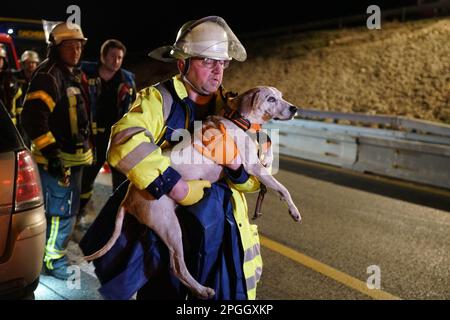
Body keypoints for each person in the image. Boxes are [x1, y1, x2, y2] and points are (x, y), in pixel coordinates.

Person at [80, 16, 262, 300]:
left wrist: (237, 167)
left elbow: (258, 177)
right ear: (182, 64)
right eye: (206, 61)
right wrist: (173, 184)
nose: (218, 71)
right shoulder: (158, 100)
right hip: (165, 240)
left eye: (222, 63)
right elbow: (124, 141)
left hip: (218, 235)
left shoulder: (236, 110)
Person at [21, 22, 92, 280]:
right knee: (60, 213)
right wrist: (52, 156)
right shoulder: (49, 75)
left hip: (73, 159)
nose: (76, 51)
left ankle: (46, 256)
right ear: (55, 48)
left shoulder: (70, 73)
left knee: (64, 210)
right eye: (69, 46)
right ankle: (54, 261)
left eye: (79, 46)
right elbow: (32, 118)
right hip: (58, 160)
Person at [79, 39, 136, 218]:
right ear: (103, 57)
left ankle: (117, 219)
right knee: (85, 179)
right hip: (91, 138)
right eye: (112, 56)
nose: (116, 61)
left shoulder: (127, 80)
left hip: (116, 139)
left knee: (121, 182)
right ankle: (79, 211)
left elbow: (133, 109)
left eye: (120, 57)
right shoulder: (85, 75)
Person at [16, 50, 41, 146]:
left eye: (33, 62)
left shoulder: (40, 78)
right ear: (23, 63)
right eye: (29, 62)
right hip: (18, 117)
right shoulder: (15, 78)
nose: (31, 65)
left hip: (34, 116)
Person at [0, 44, 22, 125]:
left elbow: (18, 104)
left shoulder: (11, 78)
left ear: (4, 60)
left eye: (0, 58)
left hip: (9, 123)